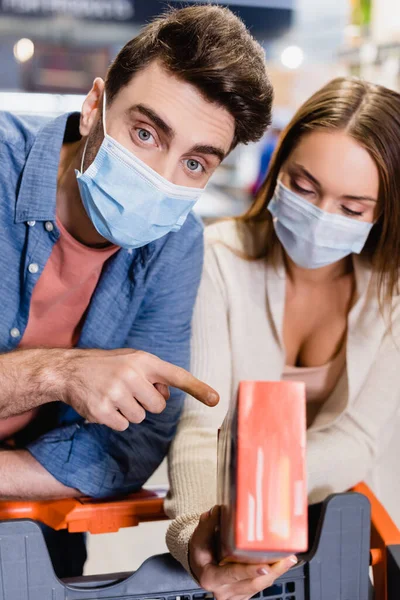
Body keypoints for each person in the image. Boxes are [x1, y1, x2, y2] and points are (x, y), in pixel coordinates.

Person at [0, 5, 274, 576]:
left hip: (39, 523)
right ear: (96, 105)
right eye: (145, 133)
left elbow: (138, 436)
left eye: (195, 163)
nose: (162, 178)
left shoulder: (176, 245)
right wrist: (61, 372)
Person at [165, 76, 400, 599]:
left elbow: (359, 438)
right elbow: (201, 424)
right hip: (229, 529)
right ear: (277, 168)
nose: (320, 217)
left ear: (384, 212)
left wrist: (259, 488)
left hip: (352, 531)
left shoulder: (393, 292)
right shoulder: (220, 259)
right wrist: (195, 534)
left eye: (352, 209)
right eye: (304, 186)